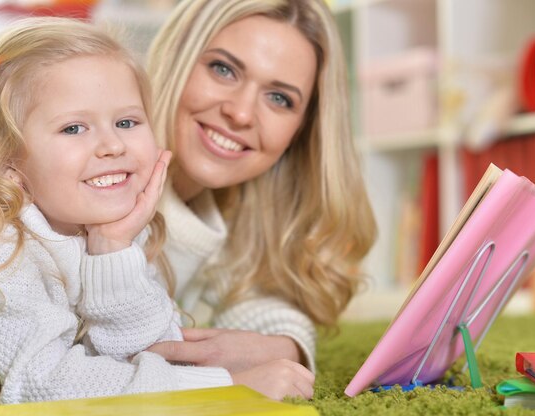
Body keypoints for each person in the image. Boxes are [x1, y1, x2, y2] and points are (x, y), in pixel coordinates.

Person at [0, 16, 314, 405]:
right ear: (7, 164)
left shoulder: (117, 225)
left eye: (127, 121)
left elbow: (155, 355)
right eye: (74, 129)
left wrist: (112, 248)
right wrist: (225, 388)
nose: (113, 145)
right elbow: (43, 382)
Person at [144, 0, 376, 375]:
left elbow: (251, 298)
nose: (241, 113)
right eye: (223, 69)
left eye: (279, 98)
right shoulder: (83, 189)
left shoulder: (220, 206)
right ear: (177, 60)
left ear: (299, 131)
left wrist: (287, 348)